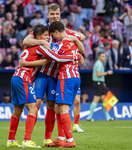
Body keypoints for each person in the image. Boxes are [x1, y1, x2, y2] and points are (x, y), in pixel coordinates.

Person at [6, 24, 81, 148]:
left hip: (16, 76)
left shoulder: (29, 46)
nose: (48, 38)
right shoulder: (39, 46)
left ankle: (11, 140)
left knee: (17, 110)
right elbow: (54, 57)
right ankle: (27, 140)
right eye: (46, 36)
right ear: (39, 37)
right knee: (34, 108)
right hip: (23, 79)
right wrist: (76, 56)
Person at [22, 3, 85, 147]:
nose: (55, 16)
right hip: (42, 73)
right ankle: (27, 139)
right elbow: (25, 41)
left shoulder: (64, 31)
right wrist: (42, 43)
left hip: (57, 75)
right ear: (48, 15)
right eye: (52, 14)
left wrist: (73, 37)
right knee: (36, 103)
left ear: (59, 15)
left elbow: (82, 36)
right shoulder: (43, 30)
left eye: (57, 14)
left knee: (53, 106)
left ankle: (49, 139)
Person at [87, 52, 114, 121]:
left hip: (100, 83)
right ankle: (89, 117)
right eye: (102, 56)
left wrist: (103, 82)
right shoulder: (99, 63)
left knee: (104, 101)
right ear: (99, 57)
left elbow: (95, 74)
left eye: (104, 56)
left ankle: (108, 117)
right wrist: (108, 73)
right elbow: (98, 74)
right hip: (98, 83)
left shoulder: (98, 63)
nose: (104, 58)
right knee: (96, 100)